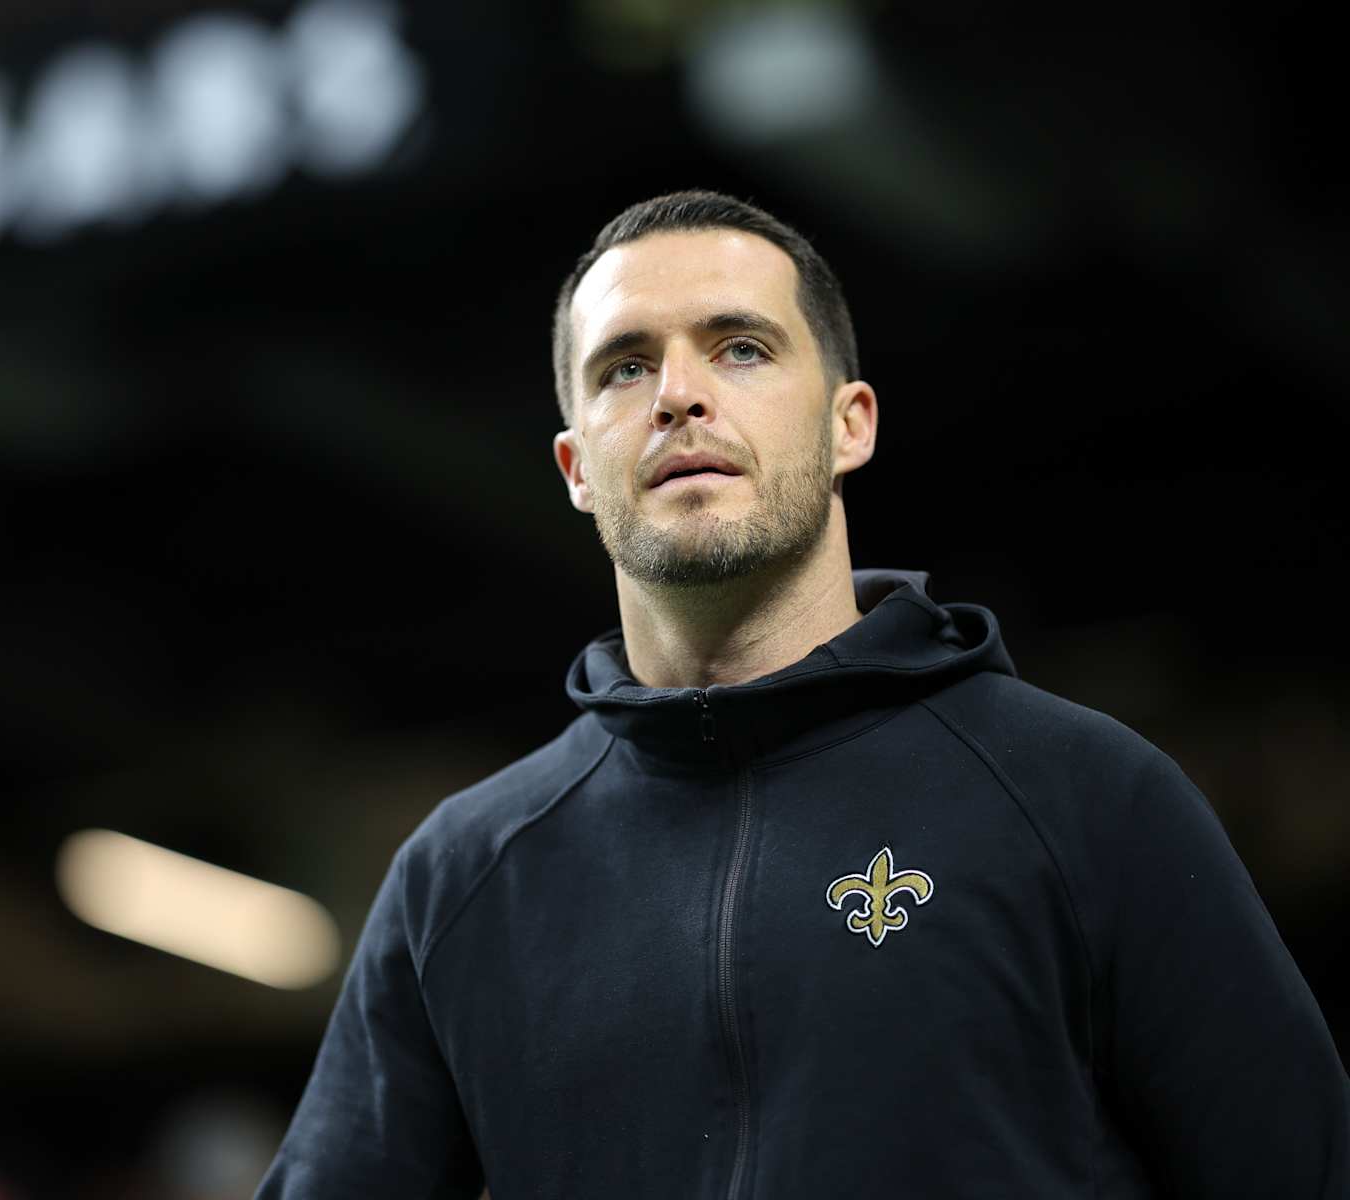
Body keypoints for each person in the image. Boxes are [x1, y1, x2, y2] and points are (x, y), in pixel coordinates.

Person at [254, 190, 1349, 1198]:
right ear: (577, 467)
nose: (679, 394)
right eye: (624, 368)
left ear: (849, 423)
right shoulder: (462, 878)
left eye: (740, 347)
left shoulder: (1085, 799)